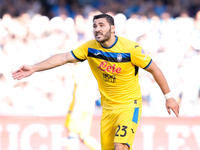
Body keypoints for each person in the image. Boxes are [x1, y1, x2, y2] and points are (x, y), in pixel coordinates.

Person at [12, 13, 180, 150]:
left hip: (129, 106)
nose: (97, 29)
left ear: (113, 28)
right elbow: (64, 57)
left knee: (120, 146)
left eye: (101, 25)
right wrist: (34, 68)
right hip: (107, 109)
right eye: (94, 26)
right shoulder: (90, 48)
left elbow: (154, 69)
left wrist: (169, 96)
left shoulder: (131, 49)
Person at [65, 61, 101, 150]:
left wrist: (75, 108)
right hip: (89, 106)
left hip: (79, 105)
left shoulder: (78, 69)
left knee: (72, 133)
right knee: (84, 136)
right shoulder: (92, 69)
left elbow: (79, 89)